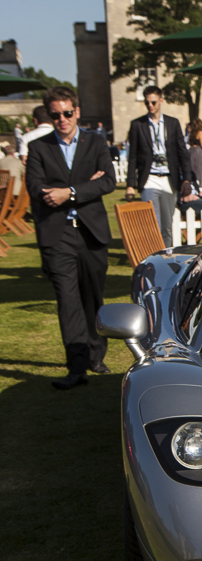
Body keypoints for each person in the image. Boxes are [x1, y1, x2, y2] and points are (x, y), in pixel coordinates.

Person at [25, 86, 116, 390]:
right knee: (67, 300)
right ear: (49, 116)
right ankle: (77, 366)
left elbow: (108, 181)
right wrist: (79, 188)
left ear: (76, 112)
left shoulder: (96, 142)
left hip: (92, 233)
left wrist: (70, 191)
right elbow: (36, 188)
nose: (61, 119)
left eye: (66, 113)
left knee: (92, 297)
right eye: (55, 115)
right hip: (57, 234)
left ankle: (96, 355)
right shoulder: (39, 147)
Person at [126, 85, 193, 246]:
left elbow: (182, 153)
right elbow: (133, 157)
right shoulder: (137, 125)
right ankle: (154, 261)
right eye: (147, 102)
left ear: (161, 101)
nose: (150, 106)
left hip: (169, 179)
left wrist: (187, 180)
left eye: (154, 102)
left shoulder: (173, 123)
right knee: (152, 224)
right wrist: (130, 185)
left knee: (167, 225)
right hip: (149, 178)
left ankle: (167, 258)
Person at [188, 127, 202, 195]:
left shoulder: (192, 132)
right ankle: (199, 188)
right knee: (199, 169)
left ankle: (194, 186)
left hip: (191, 151)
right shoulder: (200, 132)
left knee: (192, 168)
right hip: (197, 152)